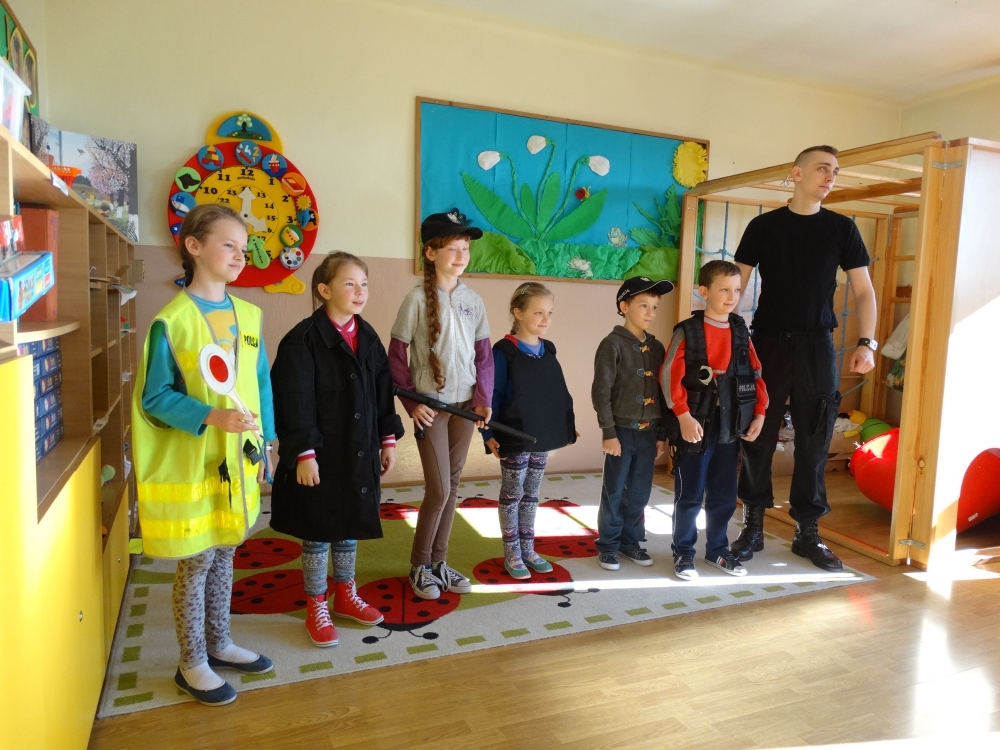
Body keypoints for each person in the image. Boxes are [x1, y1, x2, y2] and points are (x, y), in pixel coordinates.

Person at [132, 204, 275, 706]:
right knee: (196, 563)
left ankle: (220, 642)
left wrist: (267, 443)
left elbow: (260, 385)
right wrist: (212, 416)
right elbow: (154, 397)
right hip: (196, 466)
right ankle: (191, 662)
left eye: (244, 247)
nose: (240, 255)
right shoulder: (171, 321)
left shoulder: (250, 316)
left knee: (227, 551)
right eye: (228, 245)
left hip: (239, 462)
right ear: (194, 246)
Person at [732, 145, 877, 571]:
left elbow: (864, 291)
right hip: (767, 345)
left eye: (835, 171)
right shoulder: (763, 226)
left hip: (817, 347)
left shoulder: (842, 228)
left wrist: (867, 343)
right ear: (796, 174)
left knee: (814, 442)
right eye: (822, 169)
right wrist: (721, 337)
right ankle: (753, 525)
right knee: (757, 437)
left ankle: (807, 534)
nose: (830, 177)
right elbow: (734, 287)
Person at [269, 252, 404, 648]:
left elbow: (383, 391)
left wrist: (387, 439)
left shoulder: (369, 336)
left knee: (350, 524)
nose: (359, 292)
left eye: (364, 284)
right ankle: (316, 604)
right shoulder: (302, 340)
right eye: (349, 284)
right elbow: (294, 400)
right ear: (324, 290)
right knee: (318, 531)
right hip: (319, 456)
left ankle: (345, 593)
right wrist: (303, 453)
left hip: (358, 450)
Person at [389, 209, 494, 599]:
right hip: (430, 407)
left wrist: (483, 400)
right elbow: (396, 356)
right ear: (430, 253)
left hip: (465, 408)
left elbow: (485, 357)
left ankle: (439, 562)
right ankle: (419, 565)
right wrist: (411, 403)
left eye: (465, 247)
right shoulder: (416, 299)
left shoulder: (474, 301)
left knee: (453, 486)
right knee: (438, 490)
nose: (461, 254)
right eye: (452, 247)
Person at [661, 261, 769, 580]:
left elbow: (755, 373)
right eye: (724, 289)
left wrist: (760, 412)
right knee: (690, 494)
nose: (732, 296)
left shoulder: (741, 330)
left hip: (730, 426)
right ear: (704, 291)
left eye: (737, 290)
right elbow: (669, 374)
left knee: (723, 493)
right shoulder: (688, 330)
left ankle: (718, 550)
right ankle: (683, 552)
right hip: (696, 424)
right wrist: (682, 415)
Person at [482, 282, 577, 580]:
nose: (545, 319)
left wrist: (566, 427)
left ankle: (528, 548)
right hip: (513, 435)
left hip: (541, 436)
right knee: (513, 493)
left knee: (532, 493)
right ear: (518, 313)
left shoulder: (548, 349)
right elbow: (492, 396)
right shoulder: (504, 351)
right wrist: (488, 435)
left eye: (549, 312)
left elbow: (556, 394)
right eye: (538, 312)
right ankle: (512, 553)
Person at [592, 276, 672, 571]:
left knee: (640, 492)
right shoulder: (611, 344)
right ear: (624, 306)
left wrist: (661, 434)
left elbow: (662, 394)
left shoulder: (657, 347)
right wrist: (608, 432)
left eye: (654, 306)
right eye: (643, 305)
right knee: (614, 490)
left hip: (649, 435)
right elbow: (601, 392)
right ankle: (608, 545)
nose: (650, 312)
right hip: (621, 433)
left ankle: (630, 542)